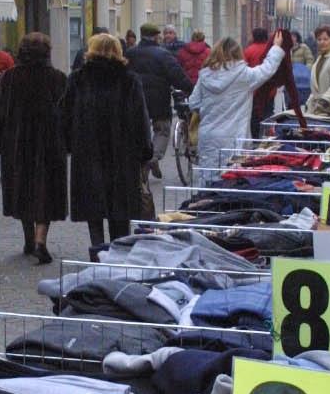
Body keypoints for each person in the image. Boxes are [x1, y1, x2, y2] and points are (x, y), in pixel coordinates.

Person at [65, 33, 153, 253]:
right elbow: (141, 119)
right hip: (122, 154)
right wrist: (145, 151)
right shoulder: (129, 80)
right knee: (120, 209)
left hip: (88, 152)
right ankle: (118, 251)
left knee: (93, 207)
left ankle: (97, 249)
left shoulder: (78, 79)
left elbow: (64, 115)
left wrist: (70, 144)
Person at [0, 33, 67, 265]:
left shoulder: (10, 78)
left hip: (18, 142)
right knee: (47, 191)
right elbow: (67, 112)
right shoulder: (58, 78)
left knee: (22, 187)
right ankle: (40, 240)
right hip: (50, 143)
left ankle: (28, 238)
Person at [189, 32, 286, 183]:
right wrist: (276, 47)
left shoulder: (205, 76)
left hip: (208, 136)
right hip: (235, 136)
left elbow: (193, 103)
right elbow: (267, 68)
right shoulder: (244, 76)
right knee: (233, 179)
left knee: (208, 179)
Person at [125, 23, 193, 179]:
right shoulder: (163, 54)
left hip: (135, 98)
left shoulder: (130, 53)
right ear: (156, 36)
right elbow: (177, 76)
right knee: (162, 129)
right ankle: (153, 157)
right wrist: (190, 88)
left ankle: (140, 159)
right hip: (158, 99)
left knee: (137, 129)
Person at [244, 28, 276, 138]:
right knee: (268, 113)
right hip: (269, 89)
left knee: (254, 116)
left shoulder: (249, 50)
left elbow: (244, 69)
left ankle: (256, 138)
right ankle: (269, 136)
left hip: (255, 90)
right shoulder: (271, 50)